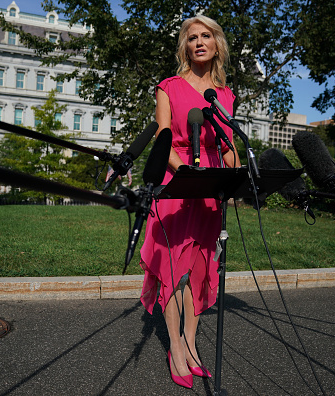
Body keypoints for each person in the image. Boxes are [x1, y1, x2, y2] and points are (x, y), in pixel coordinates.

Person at [139, 15, 241, 389]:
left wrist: (238, 175)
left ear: (217, 44)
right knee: (173, 267)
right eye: (192, 37)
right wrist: (188, 175)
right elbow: (164, 139)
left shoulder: (224, 95)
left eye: (206, 36)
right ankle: (176, 347)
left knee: (199, 267)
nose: (199, 42)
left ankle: (194, 343)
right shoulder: (168, 86)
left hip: (211, 185)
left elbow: (228, 147)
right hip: (178, 180)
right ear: (185, 47)